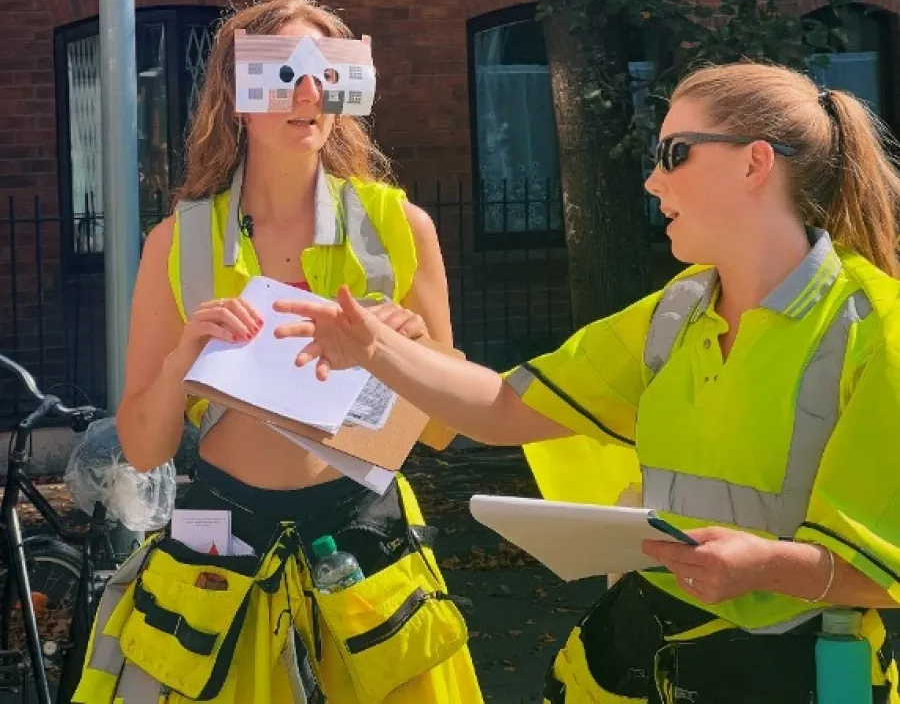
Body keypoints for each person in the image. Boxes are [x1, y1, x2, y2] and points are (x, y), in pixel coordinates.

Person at [274, 61, 900, 703]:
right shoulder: (679, 309)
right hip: (641, 655)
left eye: (674, 153)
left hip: (795, 674)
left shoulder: (876, 330)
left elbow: (886, 570)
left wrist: (766, 566)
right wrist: (373, 347)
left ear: (754, 164)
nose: (654, 179)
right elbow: (500, 407)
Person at [74, 0, 482, 704]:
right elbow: (143, 448)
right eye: (284, 72)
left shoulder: (399, 227)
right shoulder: (178, 242)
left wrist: (411, 354)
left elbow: (447, 427)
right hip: (223, 552)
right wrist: (182, 363)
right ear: (238, 93)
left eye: (329, 72)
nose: (310, 93)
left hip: (368, 552)